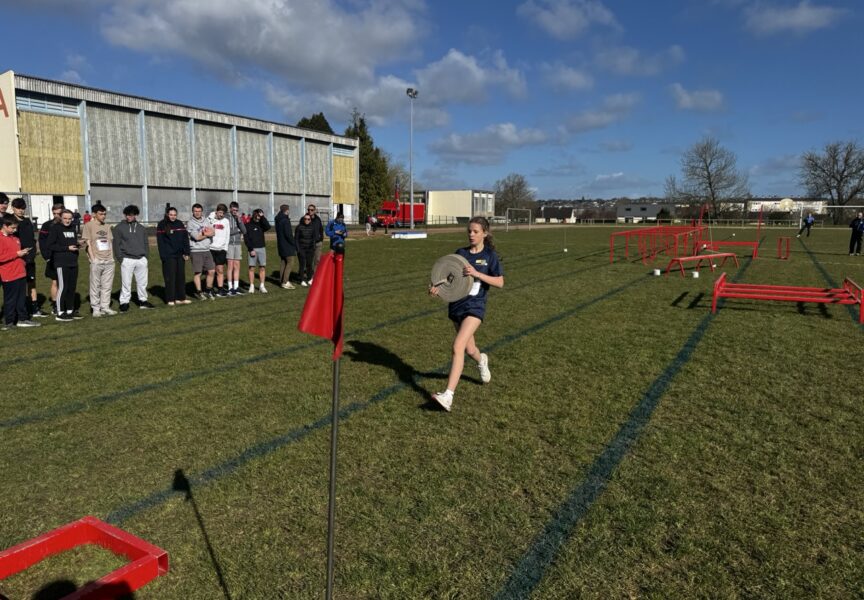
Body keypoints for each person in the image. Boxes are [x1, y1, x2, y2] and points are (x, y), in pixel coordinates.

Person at [428, 217, 504, 412]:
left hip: (475, 307)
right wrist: (436, 287)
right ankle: (481, 360)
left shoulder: (490, 256)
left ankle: (448, 395)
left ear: (485, 234)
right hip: (456, 307)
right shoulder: (460, 254)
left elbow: (500, 282)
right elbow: (448, 279)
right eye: (469, 231)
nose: (471, 234)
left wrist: (477, 274)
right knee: (470, 350)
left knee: (457, 346)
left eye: (476, 231)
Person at [0, 214, 40, 329]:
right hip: (8, 274)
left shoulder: (16, 238)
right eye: (12, 228)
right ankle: (9, 322)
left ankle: (22, 319)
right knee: (10, 300)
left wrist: (23, 255)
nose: (15, 230)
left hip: (21, 272)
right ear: (4, 226)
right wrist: (16, 254)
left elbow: (17, 254)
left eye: (15, 227)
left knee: (21, 298)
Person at [113, 204, 154, 311]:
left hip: (141, 259)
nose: (128, 217)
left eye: (131, 215)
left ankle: (143, 301)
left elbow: (146, 243)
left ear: (135, 215)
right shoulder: (118, 228)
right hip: (127, 259)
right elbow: (116, 244)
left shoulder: (141, 228)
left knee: (142, 283)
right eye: (127, 215)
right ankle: (124, 302)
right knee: (126, 283)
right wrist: (120, 259)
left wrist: (146, 257)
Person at [10, 197, 45, 317]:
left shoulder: (27, 221)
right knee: (18, 285)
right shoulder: (10, 222)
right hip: (18, 258)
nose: (21, 211)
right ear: (13, 208)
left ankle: (34, 308)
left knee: (31, 282)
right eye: (18, 208)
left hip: (30, 258)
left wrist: (36, 248)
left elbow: (32, 237)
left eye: (23, 208)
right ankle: (18, 309)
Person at [46, 209, 83, 321]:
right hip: (61, 263)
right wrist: (66, 248)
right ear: (61, 218)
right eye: (65, 218)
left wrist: (78, 244)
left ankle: (70, 310)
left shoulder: (73, 228)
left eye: (69, 218)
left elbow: (70, 243)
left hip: (73, 262)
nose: (67, 221)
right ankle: (60, 312)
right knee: (63, 287)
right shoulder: (55, 228)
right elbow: (50, 245)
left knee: (72, 287)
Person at [80, 203, 116, 317]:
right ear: (94, 214)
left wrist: (111, 257)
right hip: (97, 260)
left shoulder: (107, 226)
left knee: (107, 285)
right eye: (101, 214)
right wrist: (93, 258)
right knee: (95, 285)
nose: (103, 216)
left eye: (105, 214)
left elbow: (110, 242)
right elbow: (88, 242)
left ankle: (105, 306)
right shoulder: (88, 225)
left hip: (109, 260)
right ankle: (96, 308)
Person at [156, 206, 191, 306]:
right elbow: (160, 242)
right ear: (167, 214)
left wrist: (187, 252)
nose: (173, 217)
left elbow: (185, 239)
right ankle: (170, 299)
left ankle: (181, 298)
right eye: (171, 215)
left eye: (175, 215)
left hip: (180, 255)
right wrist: (163, 256)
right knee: (170, 278)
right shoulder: (162, 225)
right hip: (168, 256)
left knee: (180, 277)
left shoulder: (179, 224)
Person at [186, 203, 217, 300]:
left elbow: (213, 232)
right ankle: (199, 292)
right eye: (195, 211)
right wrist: (207, 234)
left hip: (207, 249)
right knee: (198, 273)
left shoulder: (206, 220)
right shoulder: (190, 223)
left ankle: (208, 290)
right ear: (193, 212)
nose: (197, 213)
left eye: (199, 211)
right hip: (196, 251)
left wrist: (206, 233)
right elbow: (197, 237)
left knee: (211, 271)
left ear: (202, 211)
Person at [39, 203, 64, 314]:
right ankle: (55, 305)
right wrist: (47, 257)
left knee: (66, 282)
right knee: (55, 282)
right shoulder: (47, 225)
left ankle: (64, 303)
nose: (56, 216)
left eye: (58, 214)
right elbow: (42, 242)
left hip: (66, 258)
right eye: (54, 213)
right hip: (52, 258)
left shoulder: (67, 223)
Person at [244, 208, 270, 293]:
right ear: (255, 214)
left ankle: (262, 286)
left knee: (262, 267)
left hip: (262, 248)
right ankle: (251, 286)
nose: (259, 216)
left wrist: (263, 217)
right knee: (251, 268)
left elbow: (268, 227)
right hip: (252, 249)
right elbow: (246, 239)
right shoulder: (248, 225)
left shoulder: (261, 224)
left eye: (260, 214)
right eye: (258, 214)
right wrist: (251, 249)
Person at [209, 203, 230, 297]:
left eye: (223, 213)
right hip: (211, 248)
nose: (221, 215)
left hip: (221, 249)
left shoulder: (226, 221)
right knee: (211, 270)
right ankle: (210, 288)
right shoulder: (210, 219)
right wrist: (213, 217)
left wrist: (225, 248)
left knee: (220, 270)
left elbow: (227, 235)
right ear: (216, 211)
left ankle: (220, 289)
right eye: (220, 212)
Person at [226, 201, 246, 295]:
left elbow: (244, 231)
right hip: (229, 244)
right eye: (233, 210)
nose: (235, 212)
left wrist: (239, 220)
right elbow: (227, 232)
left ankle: (236, 286)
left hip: (237, 243)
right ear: (230, 209)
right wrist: (237, 231)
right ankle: (230, 287)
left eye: (236, 210)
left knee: (237, 265)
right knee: (230, 265)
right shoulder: (226, 218)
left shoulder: (238, 217)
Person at [275, 204, 297, 289]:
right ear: (286, 210)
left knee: (283, 262)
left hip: (281, 244)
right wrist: (294, 243)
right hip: (287, 245)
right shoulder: (285, 220)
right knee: (290, 262)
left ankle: (282, 281)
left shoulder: (278, 219)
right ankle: (285, 281)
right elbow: (288, 234)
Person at [294, 211, 317, 286]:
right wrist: (298, 249)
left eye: (308, 219)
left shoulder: (313, 227)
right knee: (302, 264)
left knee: (309, 264)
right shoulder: (299, 227)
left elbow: (314, 238)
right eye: (305, 219)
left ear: (310, 220)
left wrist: (313, 247)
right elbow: (296, 239)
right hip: (302, 249)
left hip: (310, 249)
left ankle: (310, 278)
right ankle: (302, 280)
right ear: (303, 219)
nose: (307, 220)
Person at [307, 203, 324, 278]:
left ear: (315, 211)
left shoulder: (318, 219)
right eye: (308, 210)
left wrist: (321, 238)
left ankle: (315, 276)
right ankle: (308, 275)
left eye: (311, 210)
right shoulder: (305, 218)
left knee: (317, 260)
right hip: (309, 244)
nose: (310, 211)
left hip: (318, 243)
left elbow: (321, 229)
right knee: (309, 260)